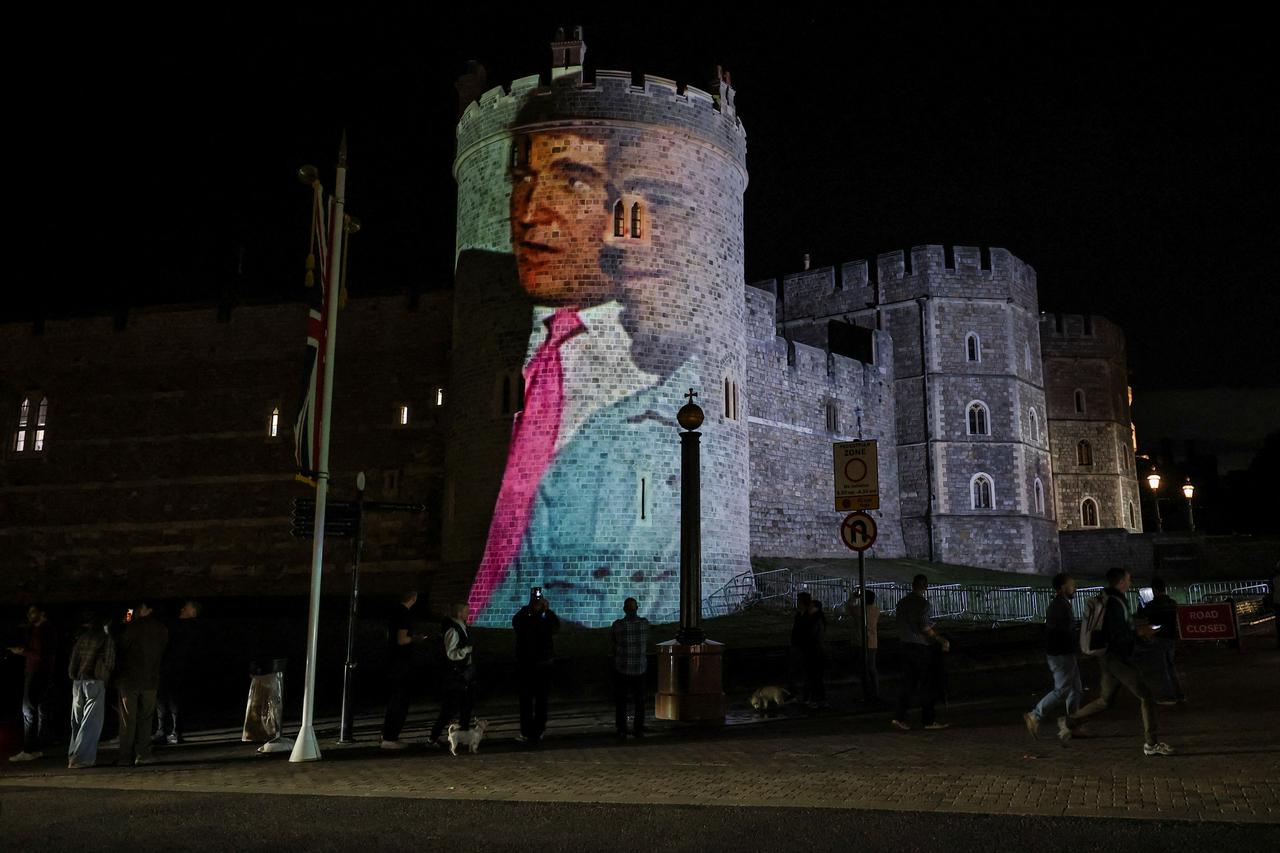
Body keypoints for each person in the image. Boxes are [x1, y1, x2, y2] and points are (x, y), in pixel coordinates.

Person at [462, 117, 718, 628]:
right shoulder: (490, 328)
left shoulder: (660, 383)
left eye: (573, 180)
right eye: (521, 180)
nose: (530, 213)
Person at [1059, 567, 1174, 756]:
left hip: (1107, 657)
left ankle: (1069, 721)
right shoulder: (1115, 602)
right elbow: (1118, 633)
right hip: (1117, 658)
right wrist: (1140, 633)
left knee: (1106, 700)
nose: (1130, 582)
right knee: (1145, 695)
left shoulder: (1108, 598)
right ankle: (1151, 743)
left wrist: (1137, 631)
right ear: (1121, 582)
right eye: (1128, 579)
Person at [1024, 573, 1082, 737]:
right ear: (1063, 587)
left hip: (1063, 652)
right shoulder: (1059, 606)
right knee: (1063, 690)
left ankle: (1072, 725)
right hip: (1061, 654)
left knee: (1076, 690)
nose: (1075, 588)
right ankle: (1035, 715)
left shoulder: (1060, 604)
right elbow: (1061, 631)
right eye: (1072, 585)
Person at [892, 574, 950, 731]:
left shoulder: (902, 602)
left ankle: (899, 717)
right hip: (920, 646)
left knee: (907, 683)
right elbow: (924, 627)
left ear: (912, 585)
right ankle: (928, 720)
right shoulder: (923, 604)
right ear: (925, 586)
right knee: (927, 684)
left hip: (905, 644)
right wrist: (940, 639)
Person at [114, 600, 168, 766]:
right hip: (151, 679)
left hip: (129, 680)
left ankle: (125, 756)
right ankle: (143, 753)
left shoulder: (132, 626)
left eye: (140, 608)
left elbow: (120, 645)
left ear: (148, 610)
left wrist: (128, 616)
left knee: (128, 720)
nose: (137, 610)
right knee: (146, 718)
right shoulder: (161, 628)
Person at [8, 604, 59, 762]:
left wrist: (22, 651)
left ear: (42, 613)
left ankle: (29, 749)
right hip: (40, 672)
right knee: (39, 709)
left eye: (32, 612)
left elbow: (40, 655)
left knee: (28, 710)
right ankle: (37, 747)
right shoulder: (41, 629)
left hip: (36, 672)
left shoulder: (44, 631)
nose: (29, 615)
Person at [66, 611, 115, 769]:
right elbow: (109, 662)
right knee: (91, 722)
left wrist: (74, 675)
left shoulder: (82, 638)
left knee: (77, 720)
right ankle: (82, 758)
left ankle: (72, 754)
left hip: (78, 681)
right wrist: (105, 677)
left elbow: (74, 659)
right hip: (94, 681)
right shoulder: (106, 639)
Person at [512, 589, 560, 743]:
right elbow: (517, 624)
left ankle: (531, 731)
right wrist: (544, 611)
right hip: (534, 664)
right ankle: (534, 731)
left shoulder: (530, 616)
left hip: (534, 665)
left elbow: (555, 627)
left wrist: (541, 611)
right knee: (536, 700)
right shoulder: (531, 616)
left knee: (534, 700)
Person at [381, 590, 428, 750]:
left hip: (393, 661)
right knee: (400, 700)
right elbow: (401, 639)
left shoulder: (394, 613)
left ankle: (387, 735)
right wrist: (416, 638)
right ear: (413, 599)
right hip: (401, 663)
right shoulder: (405, 615)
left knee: (395, 699)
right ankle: (390, 737)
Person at [154, 599, 202, 746]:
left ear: (193, 612)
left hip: (176, 668)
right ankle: (167, 731)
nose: (182, 609)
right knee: (165, 700)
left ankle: (171, 731)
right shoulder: (177, 625)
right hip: (171, 667)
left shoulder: (187, 627)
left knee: (171, 700)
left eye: (187, 607)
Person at [429, 602, 477, 748]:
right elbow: (450, 653)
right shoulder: (453, 629)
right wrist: (465, 651)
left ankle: (462, 736)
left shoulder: (461, 627)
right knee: (451, 707)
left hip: (462, 672)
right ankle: (433, 738)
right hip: (455, 674)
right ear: (459, 613)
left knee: (465, 706)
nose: (468, 614)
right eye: (466, 611)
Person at [1137, 577, 1183, 705]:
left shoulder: (1152, 605)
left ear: (1154, 590)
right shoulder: (1172, 603)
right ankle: (1179, 694)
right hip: (1171, 638)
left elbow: (1141, 614)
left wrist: (1140, 603)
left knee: (1161, 669)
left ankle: (1167, 696)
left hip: (1158, 638)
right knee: (1171, 667)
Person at [610, 597, 650, 738]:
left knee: (621, 700)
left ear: (624, 609)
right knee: (640, 700)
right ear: (637, 608)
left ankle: (622, 728)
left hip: (622, 667)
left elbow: (613, 641)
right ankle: (638, 728)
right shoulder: (644, 624)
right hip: (640, 667)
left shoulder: (618, 625)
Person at [845, 589, 880, 701]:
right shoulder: (876, 610)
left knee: (863, 669)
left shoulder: (860, 610)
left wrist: (854, 596)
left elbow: (848, 606)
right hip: (872, 642)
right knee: (872, 668)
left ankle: (866, 693)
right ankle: (875, 692)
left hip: (861, 642)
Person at [802, 599, 828, 709]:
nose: (809, 608)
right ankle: (819, 699)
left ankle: (815, 699)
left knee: (814, 677)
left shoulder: (815, 619)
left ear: (816, 608)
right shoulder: (817, 618)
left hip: (814, 651)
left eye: (811, 606)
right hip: (816, 650)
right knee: (816, 677)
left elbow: (813, 635)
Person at [789, 591, 813, 698]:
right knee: (795, 670)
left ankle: (804, 694)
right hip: (798, 646)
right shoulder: (799, 615)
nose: (797, 603)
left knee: (804, 671)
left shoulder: (808, 616)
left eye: (798, 601)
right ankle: (796, 692)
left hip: (804, 647)